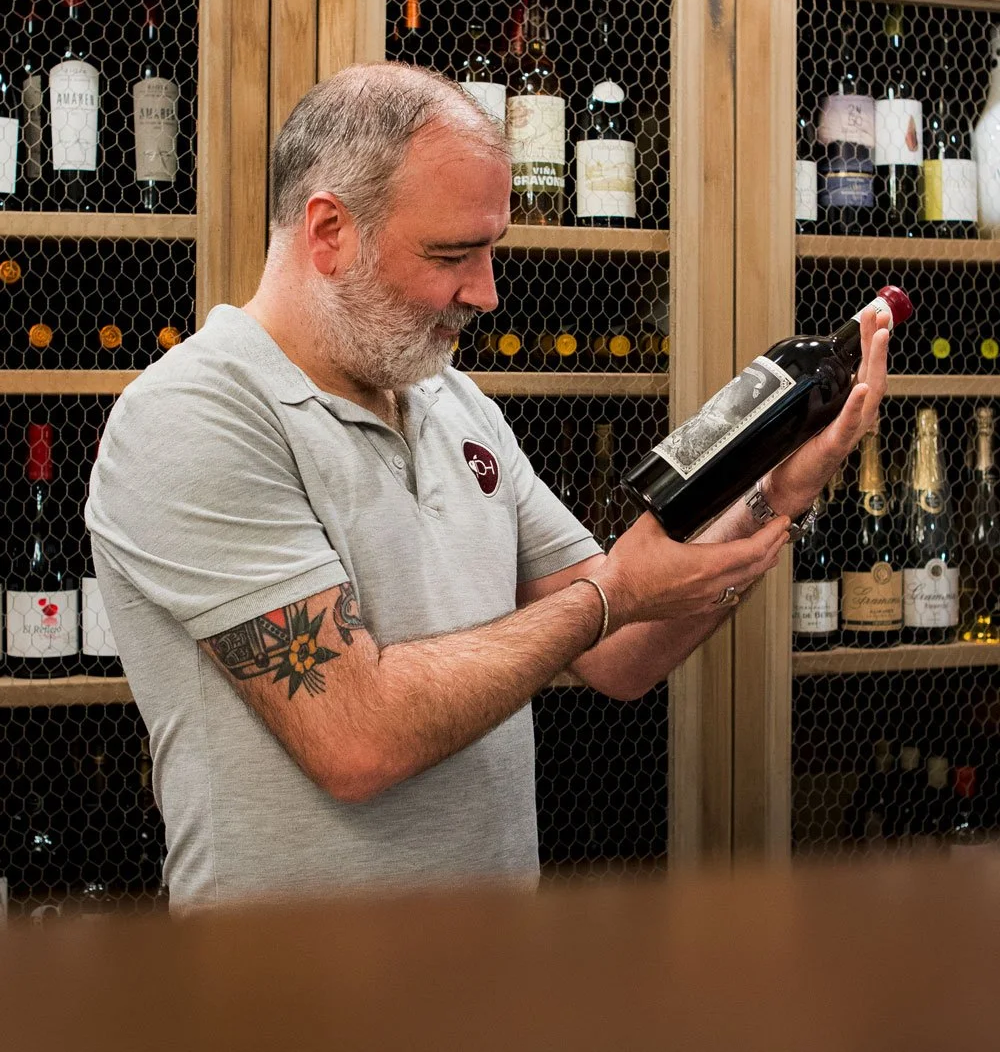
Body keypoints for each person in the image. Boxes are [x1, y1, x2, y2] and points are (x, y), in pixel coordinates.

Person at [86, 64, 889, 911]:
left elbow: (621, 652)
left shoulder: (451, 399)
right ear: (329, 230)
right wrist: (609, 595)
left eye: (490, 249)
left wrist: (779, 493)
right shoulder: (193, 415)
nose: (486, 291)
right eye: (452, 254)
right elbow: (356, 737)